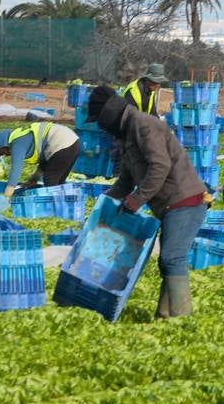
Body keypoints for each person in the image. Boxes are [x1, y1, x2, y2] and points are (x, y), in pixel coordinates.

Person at [87, 86, 207, 319]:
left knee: (172, 257)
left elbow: (160, 166)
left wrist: (136, 201)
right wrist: (104, 206)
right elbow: (125, 180)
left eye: (99, 120)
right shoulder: (127, 133)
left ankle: (182, 318)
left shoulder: (143, 125)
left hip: (186, 200)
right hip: (170, 205)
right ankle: (164, 316)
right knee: (168, 261)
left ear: (108, 115)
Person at [0, 121, 81, 197]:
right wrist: (34, 178)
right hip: (73, 143)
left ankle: (51, 211)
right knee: (59, 182)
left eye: (1, 152)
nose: (5, 155)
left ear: (4, 144)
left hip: (62, 144)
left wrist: (7, 195)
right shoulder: (22, 136)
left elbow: (16, 169)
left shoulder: (17, 142)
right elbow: (47, 160)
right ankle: (61, 207)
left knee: (50, 181)